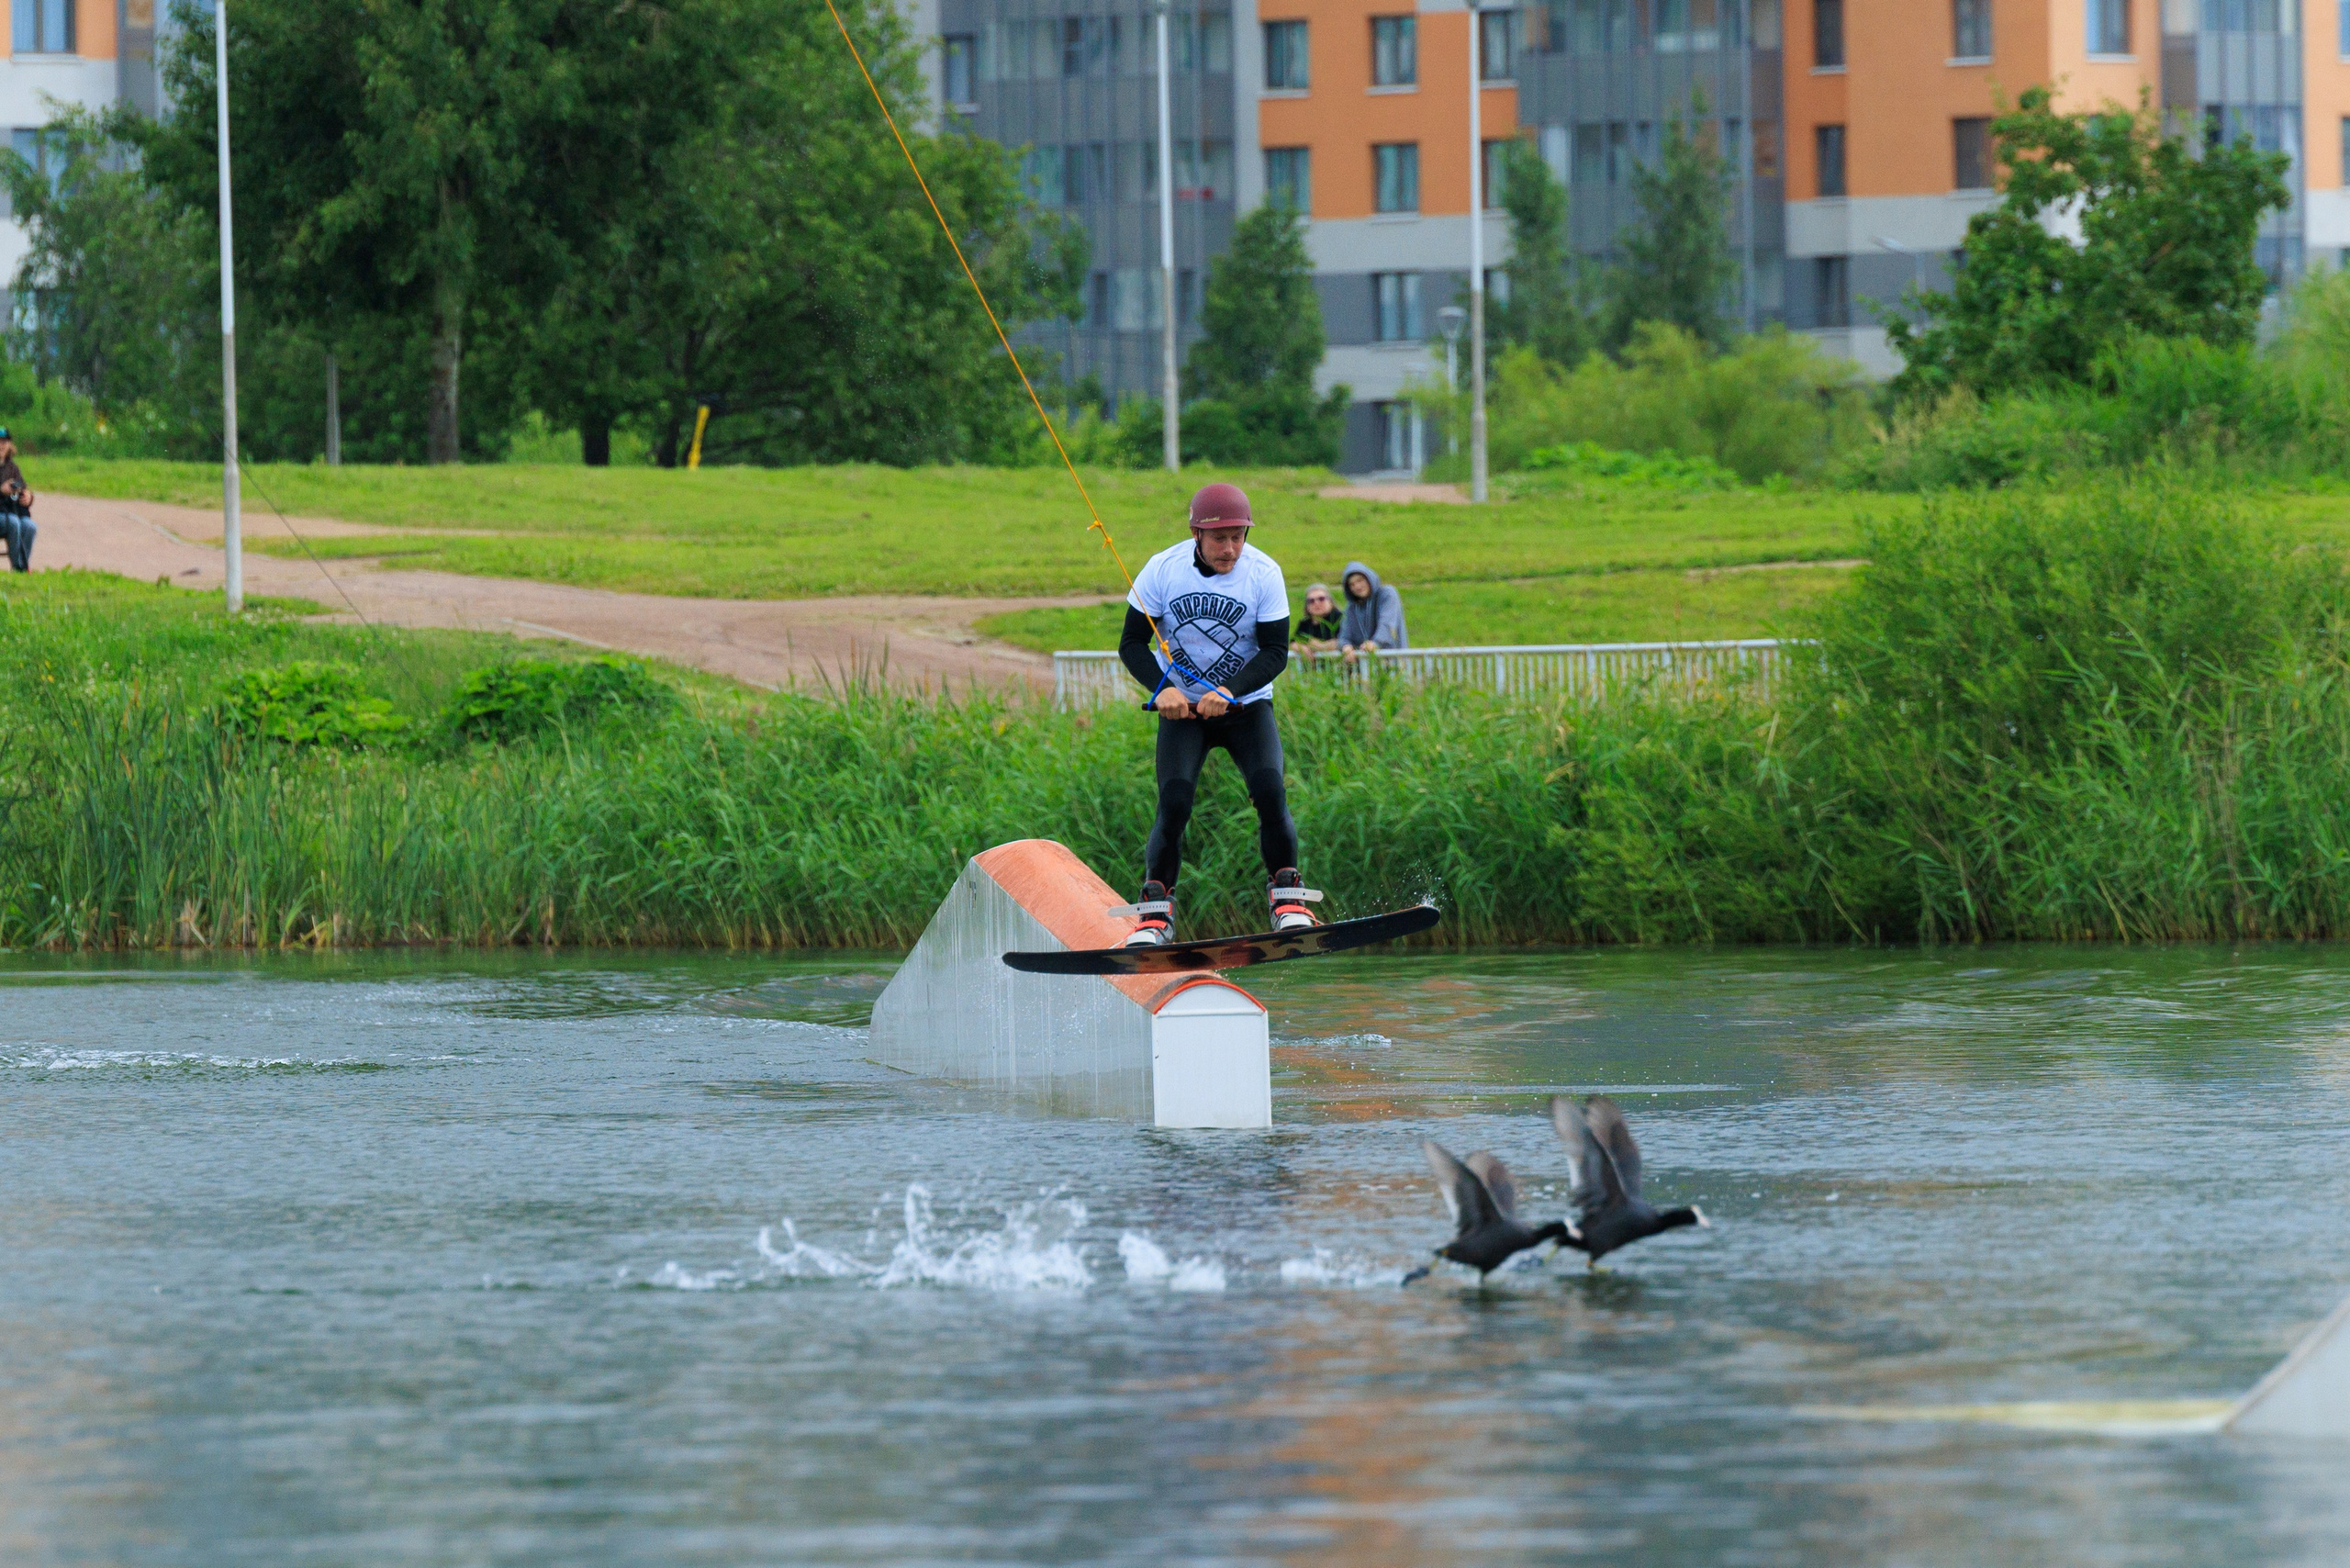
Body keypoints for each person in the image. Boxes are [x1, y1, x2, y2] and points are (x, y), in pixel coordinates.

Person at [1115, 481, 1316, 947]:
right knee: (1176, 800)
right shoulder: (1161, 570)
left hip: (1245, 705)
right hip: (1183, 711)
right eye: (1219, 538)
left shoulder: (1264, 574)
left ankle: (1287, 899)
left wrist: (1229, 690)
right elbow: (1131, 644)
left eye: (1238, 537)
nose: (1230, 549)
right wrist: (1164, 689)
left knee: (1269, 789)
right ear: (1196, 535)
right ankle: (1155, 915)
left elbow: (1275, 652)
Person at [1337, 561, 1406, 660]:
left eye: (1360, 580)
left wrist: (1375, 643)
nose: (1357, 586)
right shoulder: (1352, 607)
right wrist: (1345, 646)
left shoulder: (1387, 594)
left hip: (1393, 662)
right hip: (1364, 667)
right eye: (1352, 584)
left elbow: (1387, 623)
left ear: (1369, 578)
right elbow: (1344, 634)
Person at [0, 429, 33, 574]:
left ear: (9, 445)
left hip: (11, 511)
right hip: (4, 516)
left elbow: (23, 488)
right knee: (13, 522)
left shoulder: (13, 468)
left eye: (4, 442)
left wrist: (28, 496)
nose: (1, 445)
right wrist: (1, 490)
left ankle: (22, 566)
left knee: (30, 526)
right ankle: (17, 567)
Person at [1295, 584, 1343, 658]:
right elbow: (1294, 642)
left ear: (1330, 601)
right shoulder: (1305, 623)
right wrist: (1302, 648)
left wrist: (1320, 646)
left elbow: (1343, 641)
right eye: (1311, 601)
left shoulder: (1341, 618)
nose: (1316, 603)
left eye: (1321, 599)